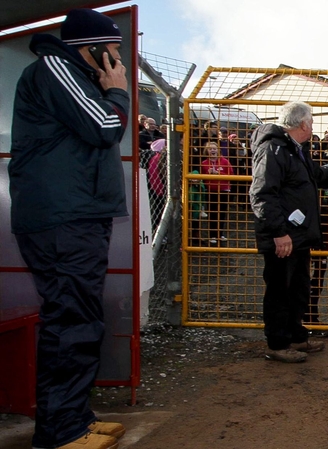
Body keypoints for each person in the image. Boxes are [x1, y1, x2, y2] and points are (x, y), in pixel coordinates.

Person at [8, 9, 129, 449]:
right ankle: (60, 432)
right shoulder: (55, 66)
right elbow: (105, 128)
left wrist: (106, 91)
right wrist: (117, 95)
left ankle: (74, 417)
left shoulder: (74, 78)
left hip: (77, 217)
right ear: (92, 47)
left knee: (79, 318)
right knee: (71, 322)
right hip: (64, 220)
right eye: (112, 51)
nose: (117, 61)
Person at [250, 101, 328, 363]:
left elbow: (318, 175)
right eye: (311, 121)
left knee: (299, 287)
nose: (313, 126)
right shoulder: (273, 149)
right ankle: (277, 344)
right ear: (302, 124)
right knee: (280, 290)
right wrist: (279, 233)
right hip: (283, 238)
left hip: (298, 236)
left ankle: (295, 336)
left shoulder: (295, 150)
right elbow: (262, 194)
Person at [200, 141, 234, 244]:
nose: (213, 150)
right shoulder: (204, 163)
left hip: (223, 190)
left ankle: (220, 234)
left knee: (222, 213)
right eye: (210, 148)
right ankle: (212, 235)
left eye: (214, 148)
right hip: (211, 190)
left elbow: (231, 174)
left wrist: (218, 173)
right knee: (212, 213)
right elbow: (201, 177)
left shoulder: (224, 161)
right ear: (207, 151)